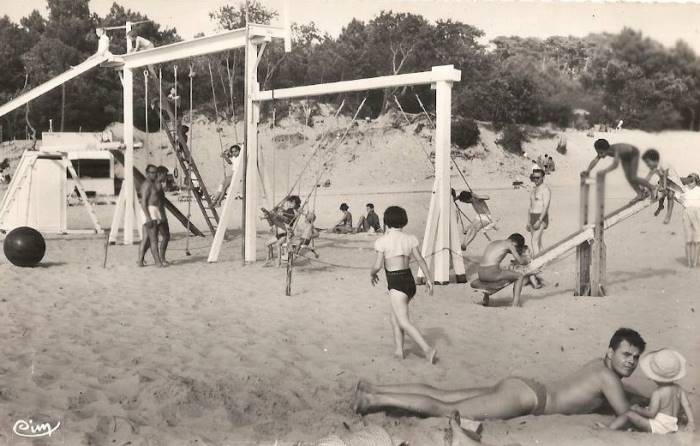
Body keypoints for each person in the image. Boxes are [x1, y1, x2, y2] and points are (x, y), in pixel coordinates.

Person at [354, 328, 647, 420]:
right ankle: (372, 399)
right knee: (447, 409)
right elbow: (624, 413)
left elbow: (611, 397)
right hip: (528, 399)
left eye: (635, 357)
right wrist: (654, 413)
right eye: (625, 354)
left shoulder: (598, 366)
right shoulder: (608, 378)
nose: (631, 362)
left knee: (443, 394)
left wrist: (637, 397)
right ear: (610, 352)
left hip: (524, 387)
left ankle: (376, 389)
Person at [370, 206, 436, 363]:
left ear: (386, 221)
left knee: (403, 321)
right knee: (395, 317)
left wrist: (372, 273)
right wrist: (429, 279)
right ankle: (399, 350)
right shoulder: (410, 238)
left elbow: (378, 266)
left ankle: (427, 349)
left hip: (395, 282)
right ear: (403, 221)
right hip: (409, 281)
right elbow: (420, 259)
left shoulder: (382, 241)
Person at [600, 348, 694, 434]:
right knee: (643, 413)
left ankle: (609, 429)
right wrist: (691, 422)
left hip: (659, 427)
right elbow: (687, 405)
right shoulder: (679, 389)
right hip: (672, 425)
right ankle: (634, 427)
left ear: (655, 377)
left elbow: (651, 414)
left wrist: (637, 409)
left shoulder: (658, 393)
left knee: (629, 414)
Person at [584, 139, 655, 201]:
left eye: (601, 153)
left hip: (633, 153)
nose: (600, 155)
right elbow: (595, 160)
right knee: (628, 177)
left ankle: (652, 187)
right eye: (598, 153)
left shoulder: (616, 149)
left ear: (607, 149)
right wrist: (588, 170)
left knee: (633, 177)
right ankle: (640, 194)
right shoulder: (604, 151)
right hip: (624, 157)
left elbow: (615, 165)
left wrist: (605, 171)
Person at [477, 234, 529, 306]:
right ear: (515, 243)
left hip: (480, 273)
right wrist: (527, 261)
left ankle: (485, 299)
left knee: (501, 269)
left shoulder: (495, 242)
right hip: (490, 273)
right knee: (519, 276)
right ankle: (515, 304)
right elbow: (520, 261)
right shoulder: (509, 244)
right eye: (516, 247)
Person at [642, 149, 683, 224]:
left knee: (670, 194)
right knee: (661, 190)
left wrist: (661, 187)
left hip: (675, 183)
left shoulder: (664, 164)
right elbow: (648, 177)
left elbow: (664, 176)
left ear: (654, 160)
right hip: (665, 182)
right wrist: (642, 187)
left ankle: (668, 215)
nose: (647, 165)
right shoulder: (655, 167)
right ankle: (661, 206)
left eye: (648, 162)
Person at [137, 164, 166, 267]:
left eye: (155, 172)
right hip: (149, 211)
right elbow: (143, 202)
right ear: (147, 173)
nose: (154, 174)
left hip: (154, 211)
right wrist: (148, 217)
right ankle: (157, 262)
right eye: (152, 172)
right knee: (154, 239)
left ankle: (140, 260)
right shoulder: (147, 185)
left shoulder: (154, 184)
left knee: (146, 239)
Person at [264, 195, 301, 265]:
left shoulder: (292, 211)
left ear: (295, 204)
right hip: (281, 231)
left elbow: (288, 220)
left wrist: (280, 214)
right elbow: (281, 211)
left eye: (291, 203)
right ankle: (268, 260)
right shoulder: (289, 210)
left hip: (285, 232)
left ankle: (278, 263)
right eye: (289, 203)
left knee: (278, 244)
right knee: (267, 244)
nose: (289, 204)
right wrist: (282, 203)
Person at [527, 168, 551, 255]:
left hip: (541, 217)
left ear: (543, 178)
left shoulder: (545, 190)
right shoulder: (533, 190)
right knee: (538, 242)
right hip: (532, 216)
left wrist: (540, 220)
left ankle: (537, 265)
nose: (536, 179)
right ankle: (544, 261)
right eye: (534, 177)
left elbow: (546, 206)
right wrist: (528, 221)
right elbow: (530, 206)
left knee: (534, 241)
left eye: (538, 177)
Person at [679, 173, 700, 268]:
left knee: (697, 241)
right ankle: (689, 262)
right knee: (688, 240)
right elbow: (678, 198)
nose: (689, 183)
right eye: (688, 181)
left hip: (698, 214)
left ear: (696, 182)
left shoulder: (699, 190)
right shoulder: (684, 190)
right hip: (687, 213)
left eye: (692, 181)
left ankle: (695, 261)